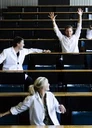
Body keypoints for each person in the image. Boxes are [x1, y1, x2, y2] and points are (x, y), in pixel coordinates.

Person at [0, 77, 66, 125]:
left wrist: (60, 107)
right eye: (47, 83)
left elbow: (57, 108)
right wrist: (3, 114)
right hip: (39, 126)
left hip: (53, 125)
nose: (49, 84)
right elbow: (17, 109)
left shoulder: (50, 95)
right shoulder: (31, 99)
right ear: (42, 86)